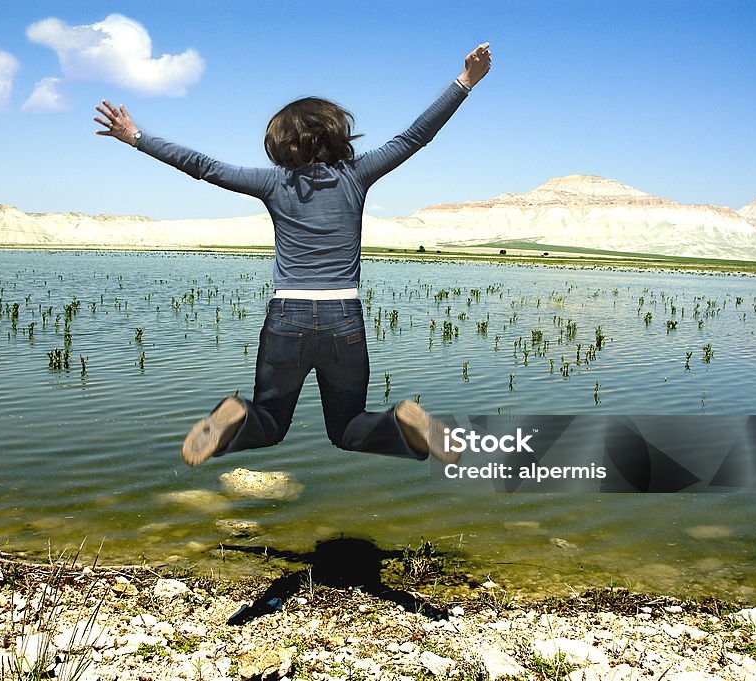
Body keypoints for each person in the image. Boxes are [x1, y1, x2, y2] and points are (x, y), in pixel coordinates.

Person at [95, 43, 492, 466]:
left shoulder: (272, 183)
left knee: (268, 421)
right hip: (344, 318)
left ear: (280, 142)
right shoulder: (357, 175)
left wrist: (136, 137)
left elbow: (201, 165)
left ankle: (237, 417)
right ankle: (402, 425)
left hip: (288, 317)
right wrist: (465, 81)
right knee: (348, 427)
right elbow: (416, 135)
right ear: (337, 133)